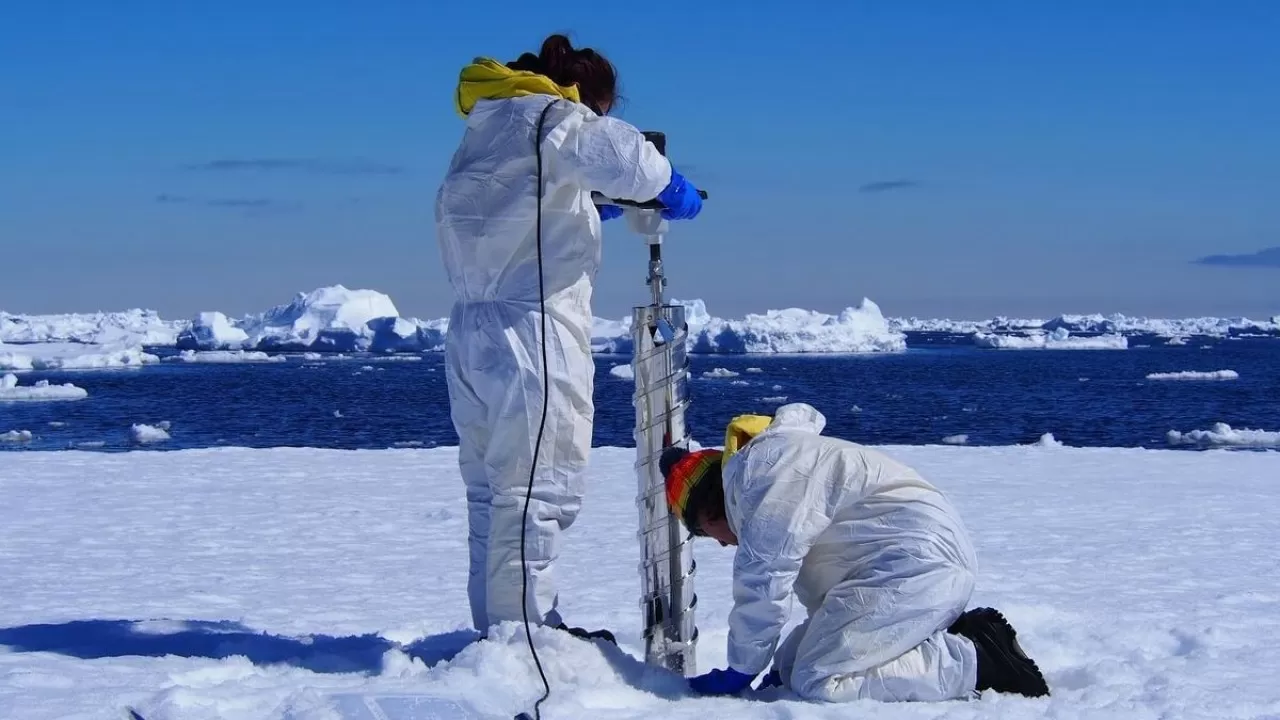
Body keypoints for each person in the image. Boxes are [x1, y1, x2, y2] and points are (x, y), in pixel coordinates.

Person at [435, 34, 703, 641]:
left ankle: (502, 632)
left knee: (493, 492)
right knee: (538, 489)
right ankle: (528, 640)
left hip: (475, 337)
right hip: (532, 339)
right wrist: (672, 189)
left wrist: (585, 205)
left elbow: (515, 213)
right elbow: (635, 162)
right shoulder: (556, 117)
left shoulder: (488, 128)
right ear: (589, 97)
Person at [660, 403, 1050, 702]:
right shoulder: (772, 468)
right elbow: (831, 589)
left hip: (913, 566)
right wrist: (777, 668)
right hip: (907, 564)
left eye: (702, 533)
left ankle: (979, 659)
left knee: (819, 679)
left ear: (707, 509)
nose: (723, 544)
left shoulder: (760, 482)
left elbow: (763, 579)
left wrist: (741, 669)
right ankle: (954, 639)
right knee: (796, 665)